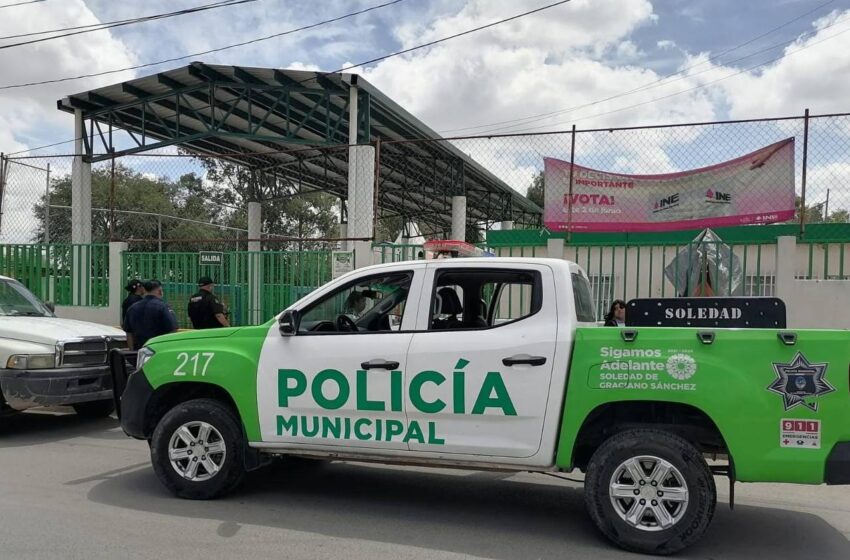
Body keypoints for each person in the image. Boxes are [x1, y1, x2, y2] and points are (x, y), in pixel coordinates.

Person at [123, 280, 178, 350]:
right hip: (159, 350)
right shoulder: (163, 307)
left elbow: (129, 333)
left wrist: (132, 351)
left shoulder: (132, 308)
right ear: (160, 291)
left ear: (145, 291)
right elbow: (173, 330)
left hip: (139, 351)